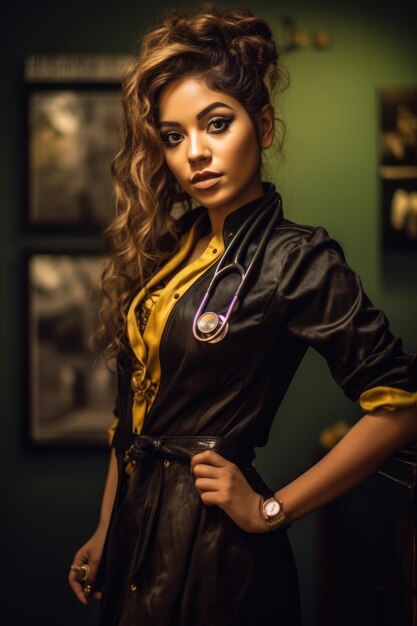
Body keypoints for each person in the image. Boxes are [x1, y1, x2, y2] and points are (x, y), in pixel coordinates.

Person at [68, 5, 417, 625]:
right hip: (134, 542)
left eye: (217, 124)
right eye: (174, 137)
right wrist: (106, 528)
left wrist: (270, 508)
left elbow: (401, 403)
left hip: (216, 554)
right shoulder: (172, 248)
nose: (194, 153)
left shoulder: (297, 258)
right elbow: (133, 417)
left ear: (264, 126)